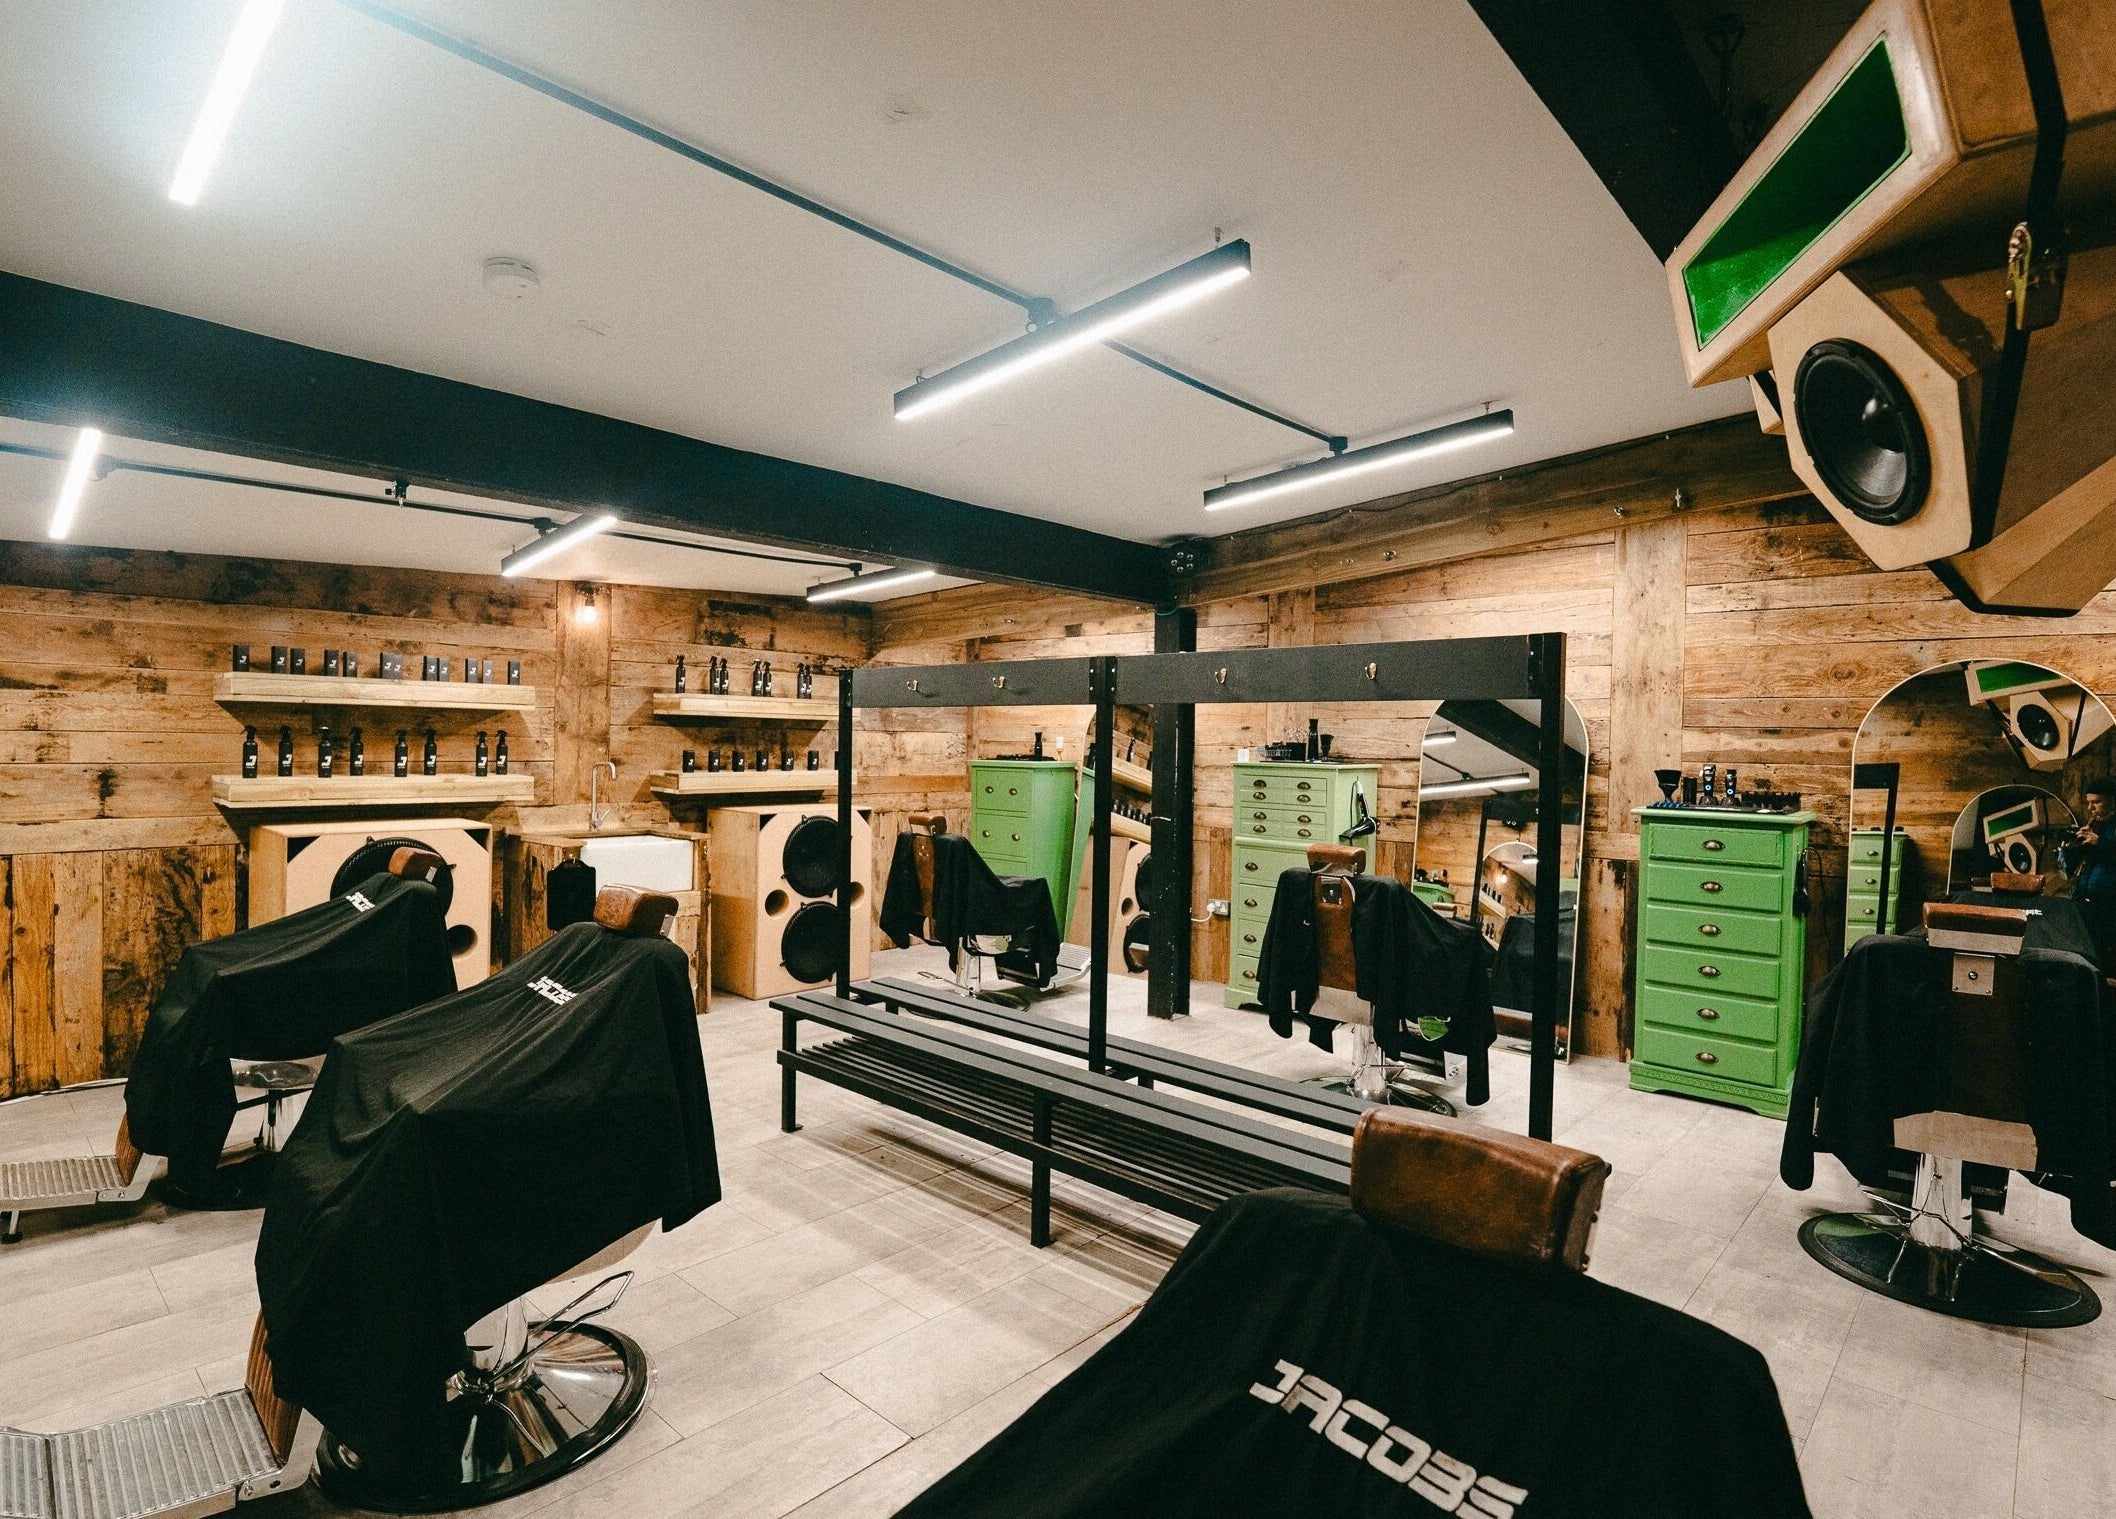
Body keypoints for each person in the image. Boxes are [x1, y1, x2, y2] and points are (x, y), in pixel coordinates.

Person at [2058, 780, 2116, 966]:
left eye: (2096, 802)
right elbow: (2079, 864)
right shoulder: (2096, 825)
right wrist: (2070, 848)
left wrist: (2099, 843)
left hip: (2109, 902)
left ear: (2112, 801)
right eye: (2088, 802)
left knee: (2105, 950)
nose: (2090, 808)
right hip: (2086, 898)